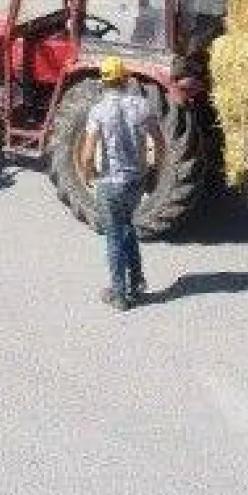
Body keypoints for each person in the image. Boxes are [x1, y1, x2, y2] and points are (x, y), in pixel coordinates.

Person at [77, 56, 164, 310]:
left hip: (111, 184)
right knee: (127, 227)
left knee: (114, 235)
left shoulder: (98, 111)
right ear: (125, 79)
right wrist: (155, 171)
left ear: (104, 81)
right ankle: (136, 281)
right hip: (136, 182)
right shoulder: (142, 106)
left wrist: (88, 175)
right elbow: (160, 142)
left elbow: (87, 153)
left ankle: (119, 294)